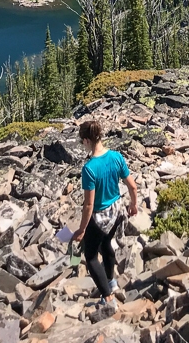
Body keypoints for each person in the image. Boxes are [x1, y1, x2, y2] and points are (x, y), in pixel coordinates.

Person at [71, 120, 138, 315]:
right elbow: (132, 186)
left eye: (82, 141)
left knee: (90, 256)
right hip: (117, 211)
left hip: (101, 217)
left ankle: (108, 298)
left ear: (86, 141)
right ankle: (112, 281)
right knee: (106, 244)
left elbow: (89, 205)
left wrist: (82, 229)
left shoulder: (89, 169)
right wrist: (133, 204)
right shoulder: (116, 157)